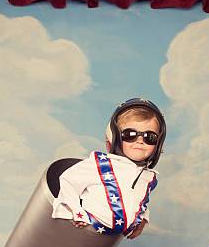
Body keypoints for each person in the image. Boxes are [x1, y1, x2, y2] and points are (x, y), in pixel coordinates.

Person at [51, 98, 165, 239]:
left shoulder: (148, 177)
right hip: (82, 231)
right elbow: (68, 180)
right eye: (130, 135)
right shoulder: (100, 164)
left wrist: (142, 219)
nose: (140, 140)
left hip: (107, 242)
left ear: (158, 143)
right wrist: (76, 211)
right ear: (114, 136)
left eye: (150, 137)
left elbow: (140, 197)